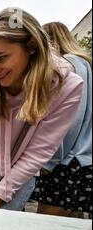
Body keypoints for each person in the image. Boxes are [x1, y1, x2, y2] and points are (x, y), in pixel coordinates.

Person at [0, 8, 84, 211]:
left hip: (17, 179)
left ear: (31, 46)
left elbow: (38, 152)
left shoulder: (65, 87)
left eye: (1, 58)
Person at [30, 21, 92, 218]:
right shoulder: (86, 66)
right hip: (83, 160)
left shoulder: (68, 66)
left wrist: (48, 161)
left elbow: (67, 121)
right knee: (73, 229)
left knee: (46, 229)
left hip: (65, 163)